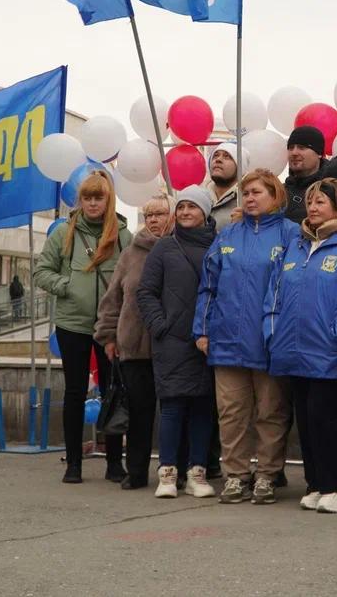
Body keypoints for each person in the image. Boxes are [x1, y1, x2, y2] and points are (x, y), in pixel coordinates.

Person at [264, 179, 337, 514]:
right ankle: (316, 483)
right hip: (293, 349)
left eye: (321, 203)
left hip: (330, 350)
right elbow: (274, 293)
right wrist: (272, 332)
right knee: (307, 420)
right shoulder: (296, 246)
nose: (312, 208)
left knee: (328, 419)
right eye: (310, 202)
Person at [194, 169, 299, 505]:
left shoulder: (291, 234)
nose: (250, 199)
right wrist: (203, 329)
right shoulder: (227, 235)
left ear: (275, 195)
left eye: (257, 192)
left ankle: (268, 474)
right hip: (226, 340)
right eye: (246, 194)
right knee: (232, 413)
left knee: (271, 411)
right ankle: (236, 476)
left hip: (269, 341)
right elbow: (208, 286)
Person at [33, 169, 130, 484]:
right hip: (73, 324)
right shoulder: (64, 233)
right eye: (87, 197)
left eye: (98, 197)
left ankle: (114, 462)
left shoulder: (123, 236)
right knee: (75, 392)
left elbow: (133, 277)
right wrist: (68, 284)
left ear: (108, 199)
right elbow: (41, 271)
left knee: (111, 391)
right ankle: (73, 463)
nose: (92, 203)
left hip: (109, 327)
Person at [137, 186, 218, 500]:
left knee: (202, 408)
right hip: (172, 341)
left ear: (205, 212)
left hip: (208, 341)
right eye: (181, 207)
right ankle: (167, 473)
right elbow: (146, 292)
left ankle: (197, 473)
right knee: (171, 408)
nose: (185, 212)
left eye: (192, 207)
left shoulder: (219, 246)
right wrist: (161, 326)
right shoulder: (164, 248)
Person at [95, 194, 170, 490]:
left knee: (174, 413)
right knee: (138, 413)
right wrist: (108, 336)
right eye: (149, 214)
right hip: (133, 347)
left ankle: (175, 469)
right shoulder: (130, 253)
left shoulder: (178, 249)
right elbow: (113, 298)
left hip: (170, 347)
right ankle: (136, 471)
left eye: (160, 214)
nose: (153, 220)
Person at [283, 125, 328, 223]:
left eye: (301, 148)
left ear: (319, 153)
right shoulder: (279, 192)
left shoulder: (332, 190)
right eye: (290, 148)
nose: (294, 153)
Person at [204, 141, 240, 231]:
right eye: (215, 155)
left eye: (227, 156)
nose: (218, 159)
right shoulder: (199, 196)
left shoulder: (248, 201)